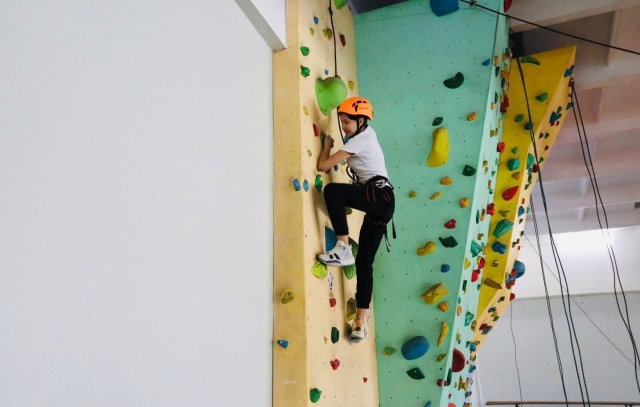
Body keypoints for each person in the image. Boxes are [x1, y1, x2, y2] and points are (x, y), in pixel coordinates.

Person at [316, 96, 395, 341]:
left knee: (332, 191)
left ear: (361, 121)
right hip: (384, 203)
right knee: (364, 264)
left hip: (379, 196)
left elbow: (323, 166)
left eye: (347, 121)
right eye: (341, 121)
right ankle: (359, 324)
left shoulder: (361, 139)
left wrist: (327, 145)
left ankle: (342, 247)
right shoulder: (365, 137)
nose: (344, 126)